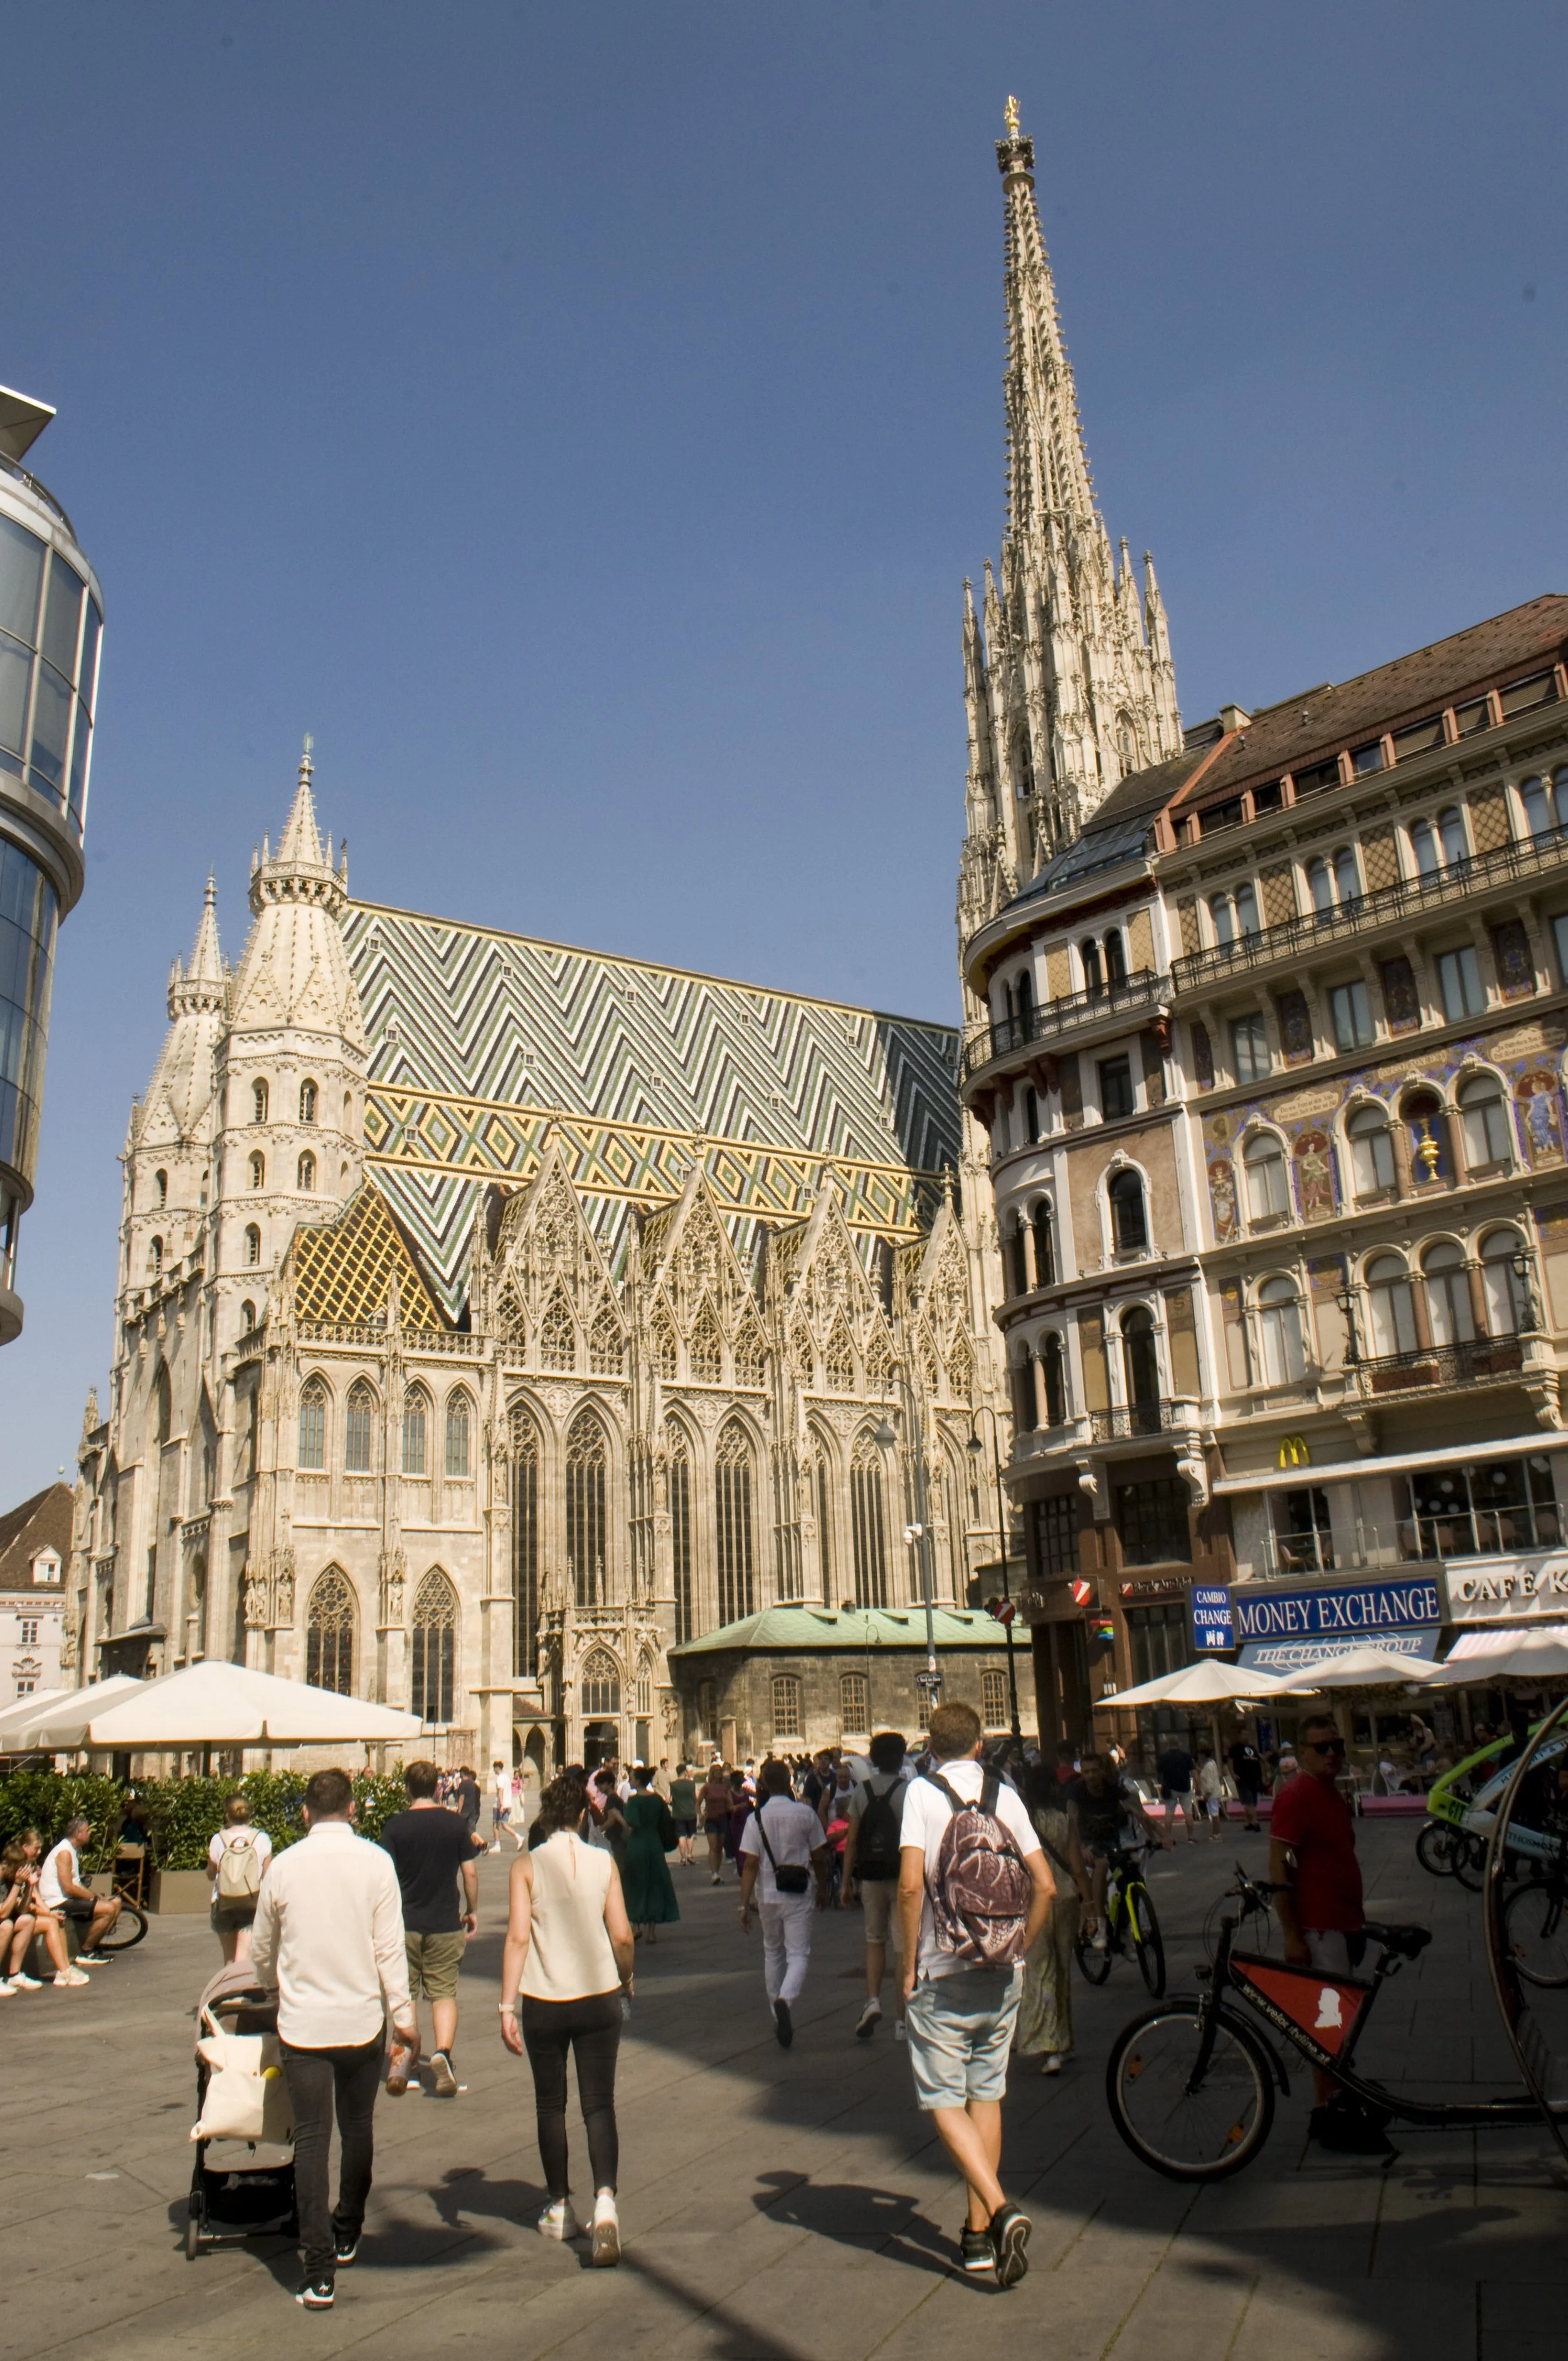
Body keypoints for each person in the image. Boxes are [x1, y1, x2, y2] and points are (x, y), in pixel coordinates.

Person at [250, 1767, 420, 2310]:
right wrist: (404, 2015)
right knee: (358, 2127)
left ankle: (318, 2272)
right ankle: (347, 2228)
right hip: (362, 2021)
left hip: (303, 2024)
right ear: (352, 1809)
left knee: (311, 2140)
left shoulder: (283, 1866)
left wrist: (270, 1981)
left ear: (304, 1812)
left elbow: (261, 1947)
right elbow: (390, 1948)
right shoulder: (376, 1862)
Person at [897, 1700, 1053, 2286]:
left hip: (942, 1969)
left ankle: (1002, 2208)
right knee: (986, 2096)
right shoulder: (1005, 1795)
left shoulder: (921, 1793)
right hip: (1003, 1970)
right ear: (980, 1746)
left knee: (944, 2101)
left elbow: (909, 1887)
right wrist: (1020, 1946)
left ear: (930, 1748)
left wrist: (907, 1965)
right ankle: (977, 2237)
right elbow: (1046, 1885)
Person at [500, 1770, 635, 2264]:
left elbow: (518, 1938)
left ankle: (559, 2206)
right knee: (599, 2104)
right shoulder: (603, 1861)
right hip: (598, 1994)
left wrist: (506, 2005)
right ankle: (606, 2204)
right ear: (582, 1815)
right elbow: (622, 1935)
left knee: (550, 2105)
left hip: (545, 1999)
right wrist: (627, 1977)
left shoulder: (526, 1865)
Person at [1269, 1713, 1384, 2154]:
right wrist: (1292, 1935)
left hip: (1345, 1922)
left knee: (1338, 2022)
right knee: (1329, 2024)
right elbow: (1278, 1865)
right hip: (1320, 1928)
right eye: (1322, 1747)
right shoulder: (1297, 1795)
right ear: (1303, 1753)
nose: (1332, 1754)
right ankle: (1326, 2108)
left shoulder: (1332, 1794)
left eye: (1337, 1745)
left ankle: (1334, 2099)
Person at [379, 1759, 480, 2098]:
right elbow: (469, 1872)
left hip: (404, 1924)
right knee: (443, 1993)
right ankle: (442, 2054)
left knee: (405, 1994)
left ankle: (404, 2062)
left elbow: (384, 1877)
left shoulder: (395, 1826)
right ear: (438, 1787)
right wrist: (472, 1910)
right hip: (445, 1921)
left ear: (407, 1788)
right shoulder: (454, 1824)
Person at [737, 1758, 829, 2047]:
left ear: (763, 1784)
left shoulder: (756, 1819)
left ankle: (777, 2014)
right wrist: (824, 1887)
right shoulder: (805, 1814)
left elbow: (750, 1864)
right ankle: (785, 2001)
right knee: (798, 1954)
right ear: (790, 1782)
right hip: (798, 1892)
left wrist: (743, 1904)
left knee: (772, 1951)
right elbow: (819, 1856)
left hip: (767, 1893)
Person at [1014, 1761, 1090, 2073]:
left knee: (1039, 1970)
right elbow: (1076, 1864)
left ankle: (1048, 2046)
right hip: (1067, 1896)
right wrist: (1091, 1903)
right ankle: (1064, 2040)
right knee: (1062, 1969)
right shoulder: (1064, 1819)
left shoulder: (1022, 1822)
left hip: (1034, 1902)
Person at [839, 1729, 910, 2040]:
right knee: (903, 1948)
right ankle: (902, 2021)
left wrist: (845, 1883)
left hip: (870, 1876)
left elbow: (852, 1841)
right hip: (902, 1875)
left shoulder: (861, 1792)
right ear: (901, 1758)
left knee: (874, 1940)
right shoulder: (910, 1791)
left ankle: (873, 2000)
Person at [1065, 1754, 1157, 1948]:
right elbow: (1072, 1822)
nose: (1091, 1776)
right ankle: (1100, 1924)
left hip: (1111, 1843)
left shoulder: (1113, 1789)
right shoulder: (1077, 1792)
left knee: (1128, 1875)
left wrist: (1162, 1836)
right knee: (1102, 1865)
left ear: (1103, 1772)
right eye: (1086, 1772)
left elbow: (1140, 1813)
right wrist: (1081, 1847)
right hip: (1087, 1844)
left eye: (1095, 1771)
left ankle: (1123, 1929)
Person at [0, 1835, 80, 1990]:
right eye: (36, 1848)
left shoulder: (13, 1875)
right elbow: (3, 1914)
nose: (18, 1873)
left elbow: (22, 1910)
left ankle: (16, 1975)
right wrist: (17, 1884)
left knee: (29, 1920)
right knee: (7, 1925)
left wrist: (30, 1885)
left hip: (8, 1919)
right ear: (5, 1864)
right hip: (4, 1922)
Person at [38, 1817, 122, 1963]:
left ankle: (94, 1941)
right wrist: (93, 1898)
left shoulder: (72, 1850)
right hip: (57, 1901)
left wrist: (95, 1895)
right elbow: (68, 1887)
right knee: (108, 1909)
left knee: (117, 1902)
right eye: (87, 1831)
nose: (90, 1833)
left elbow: (75, 1883)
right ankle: (86, 1952)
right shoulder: (64, 1852)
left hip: (67, 1898)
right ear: (78, 1834)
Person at [207, 1793, 273, 1964]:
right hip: (251, 1902)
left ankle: (230, 1981)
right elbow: (267, 1875)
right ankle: (241, 1981)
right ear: (250, 1814)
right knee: (243, 1957)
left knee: (229, 1959)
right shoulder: (262, 1839)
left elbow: (211, 1875)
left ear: (227, 1815)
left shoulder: (218, 1839)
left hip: (223, 1902)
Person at [620, 1765, 680, 1943]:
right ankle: (652, 1932)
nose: (630, 1780)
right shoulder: (656, 1799)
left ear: (638, 1781)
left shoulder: (634, 1801)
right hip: (654, 1843)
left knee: (635, 1883)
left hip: (637, 1844)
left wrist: (618, 1819)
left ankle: (636, 1926)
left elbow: (631, 1824)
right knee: (654, 1884)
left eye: (632, 1777)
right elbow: (666, 1819)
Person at [1155, 1738, 1197, 1849]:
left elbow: (1158, 1772)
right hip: (1185, 1788)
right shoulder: (1186, 1756)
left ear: (1169, 1744)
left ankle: (1168, 1837)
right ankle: (1191, 1837)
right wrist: (1198, 1784)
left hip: (1170, 1789)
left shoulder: (1163, 1757)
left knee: (1169, 1814)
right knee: (1188, 1813)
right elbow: (1193, 1772)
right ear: (1179, 1744)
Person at [699, 1764, 732, 1884]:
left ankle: (717, 1873)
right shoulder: (707, 1787)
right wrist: (700, 1814)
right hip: (710, 1819)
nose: (718, 1772)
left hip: (722, 1818)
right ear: (712, 1773)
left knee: (719, 1847)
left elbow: (730, 1803)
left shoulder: (724, 1787)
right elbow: (698, 1802)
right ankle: (713, 1873)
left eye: (720, 1770)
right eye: (716, 1771)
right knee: (713, 1846)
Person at [1227, 1733, 1264, 1832]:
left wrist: (1262, 1775)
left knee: (1251, 1802)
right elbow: (1230, 1761)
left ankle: (1249, 1822)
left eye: (1247, 1734)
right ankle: (1255, 1822)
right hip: (1242, 1778)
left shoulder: (1252, 1748)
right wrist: (1233, 1774)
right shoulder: (1235, 1748)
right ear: (1239, 1736)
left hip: (1254, 1778)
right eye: (1243, 1734)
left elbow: (1259, 1761)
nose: (1246, 1736)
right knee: (1249, 1801)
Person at [667, 1764, 699, 1865]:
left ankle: (683, 1858)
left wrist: (674, 1803)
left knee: (681, 1835)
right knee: (690, 1834)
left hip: (678, 1814)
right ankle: (690, 1855)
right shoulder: (692, 1784)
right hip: (691, 1813)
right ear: (685, 1772)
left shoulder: (672, 1784)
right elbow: (698, 1797)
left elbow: (667, 1799)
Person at [490, 1760, 522, 1853]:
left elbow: (501, 1791)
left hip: (500, 1805)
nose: (494, 1771)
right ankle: (519, 1838)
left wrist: (501, 1805)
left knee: (496, 1825)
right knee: (504, 1825)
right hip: (508, 1804)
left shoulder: (500, 1778)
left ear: (497, 1768)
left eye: (494, 1769)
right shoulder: (507, 1777)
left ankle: (497, 1845)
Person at [1194, 1748, 1226, 1842]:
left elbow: (1210, 1781)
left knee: (1214, 1814)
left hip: (1212, 1793)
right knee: (1214, 1813)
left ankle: (1216, 1833)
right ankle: (1215, 1833)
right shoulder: (1211, 1764)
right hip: (1214, 1792)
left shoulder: (1209, 1766)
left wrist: (1207, 1794)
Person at [453, 1766, 482, 1847]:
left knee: (462, 1828)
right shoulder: (474, 1785)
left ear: (462, 1773)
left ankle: (482, 1843)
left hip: (465, 1810)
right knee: (470, 1829)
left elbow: (462, 1797)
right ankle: (475, 1845)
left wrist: (459, 1810)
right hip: (474, 1810)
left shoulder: (463, 1784)